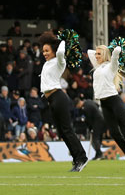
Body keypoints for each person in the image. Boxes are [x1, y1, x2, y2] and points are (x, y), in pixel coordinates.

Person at [88, 43, 125, 168]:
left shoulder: (110, 66)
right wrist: (99, 50)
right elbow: (90, 52)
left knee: (124, 129)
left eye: (99, 54)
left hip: (114, 101)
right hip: (104, 102)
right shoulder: (98, 67)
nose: (96, 56)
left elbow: (115, 57)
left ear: (106, 55)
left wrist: (114, 51)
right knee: (114, 133)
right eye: (96, 54)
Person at [38, 31, 87, 172]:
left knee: (67, 129)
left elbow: (60, 53)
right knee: (61, 132)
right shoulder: (47, 64)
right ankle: (76, 158)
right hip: (52, 99)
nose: (44, 53)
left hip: (59, 98)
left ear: (54, 50)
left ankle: (81, 158)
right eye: (43, 51)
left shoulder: (60, 61)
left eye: (47, 50)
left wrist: (63, 41)